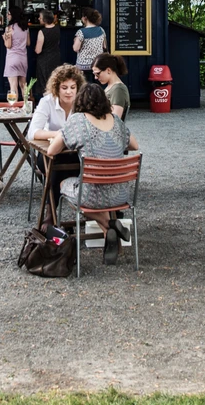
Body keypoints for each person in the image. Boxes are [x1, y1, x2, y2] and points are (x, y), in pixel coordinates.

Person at [45, 83, 139, 264]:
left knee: (67, 185)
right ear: (105, 101)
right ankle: (111, 227)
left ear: (79, 101)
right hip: (121, 196)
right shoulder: (116, 120)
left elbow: (51, 151)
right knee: (93, 191)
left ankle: (110, 226)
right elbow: (134, 145)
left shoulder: (78, 121)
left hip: (91, 197)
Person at [29, 64, 85, 202]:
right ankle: (52, 209)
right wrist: (60, 134)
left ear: (78, 88)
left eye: (73, 87)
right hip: (50, 153)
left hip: (75, 152)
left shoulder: (82, 102)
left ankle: (51, 209)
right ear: (56, 88)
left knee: (66, 167)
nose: (69, 92)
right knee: (56, 165)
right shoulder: (47, 102)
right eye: (64, 88)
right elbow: (33, 133)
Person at [32, 10, 63, 99]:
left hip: (44, 60)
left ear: (45, 20)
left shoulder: (42, 32)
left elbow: (38, 50)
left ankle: (47, 102)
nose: (39, 19)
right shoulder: (57, 28)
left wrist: (35, 49)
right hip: (56, 57)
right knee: (55, 81)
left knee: (45, 84)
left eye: (40, 17)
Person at [2, 7, 29, 102]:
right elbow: (28, 43)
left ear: (13, 15)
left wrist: (4, 38)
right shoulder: (25, 28)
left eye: (9, 13)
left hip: (12, 58)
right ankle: (26, 106)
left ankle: (14, 107)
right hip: (23, 58)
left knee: (13, 86)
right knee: (23, 85)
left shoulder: (9, 28)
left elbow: (8, 45)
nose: (7, 15)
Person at [92, 53, 130, 119]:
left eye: (98, 74)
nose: (96, 77)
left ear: (108, 70)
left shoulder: (118, 89)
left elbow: (115, 119)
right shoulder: (112, 87)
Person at [73, 8, 107, 82]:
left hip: (83, 67)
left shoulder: (81, 32)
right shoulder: (101, 30)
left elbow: (75, 48)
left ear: (85, 18)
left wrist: (75, 40)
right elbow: (104, 46)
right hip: (97, 64)